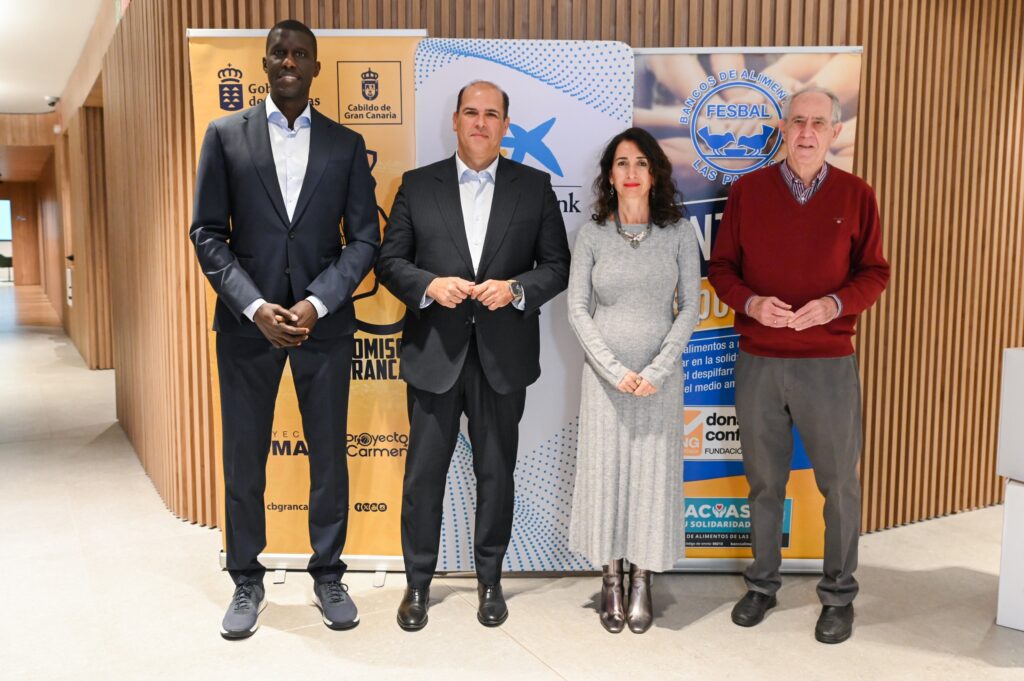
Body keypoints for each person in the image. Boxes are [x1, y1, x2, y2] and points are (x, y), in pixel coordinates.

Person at [189, 19, 379, 639]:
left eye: (301, 54)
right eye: (280, 53)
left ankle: (328, 574)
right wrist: (254, 306)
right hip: (249, 327)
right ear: (264, 63)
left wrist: (318, 303)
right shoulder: (224, 136)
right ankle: (246, 574)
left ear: (316, 68)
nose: (290, 61)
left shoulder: (345, 145)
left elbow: (364, 240)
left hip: (322, 328)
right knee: (245, 457)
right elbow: (208, 232)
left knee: (329, 454)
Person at [376, 80, 570, 631]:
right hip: (435, 354)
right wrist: (429, 286)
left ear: (505, 125)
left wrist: (517, 290)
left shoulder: (533, 187)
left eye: (491, 114)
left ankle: (490, 581)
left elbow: (557, 265)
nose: (480, 123)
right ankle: (417, 584)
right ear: (455, 121)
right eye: (470, 112)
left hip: (502, 359)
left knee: (495, 475)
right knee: (423, 480)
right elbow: (390, 262)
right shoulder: (417, 185)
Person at [708, 86, 890, 644]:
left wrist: (834, 305)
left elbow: (874, 273)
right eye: (797, 122)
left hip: (828, 365)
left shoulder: (857, 195)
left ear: (835, 132)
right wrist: (752, 303)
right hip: (760, 360)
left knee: (839, 485)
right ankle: (762, 585)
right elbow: (721, 267)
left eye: (819, 123)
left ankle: (837, 595)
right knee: (765, 484)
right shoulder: (747, 191)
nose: (807, 132)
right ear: (781, 130)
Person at [567, 127, 700, 634]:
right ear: (609, 175)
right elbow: (578, 309)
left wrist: (657, 370)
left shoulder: (680, 234)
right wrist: (615, 370)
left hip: (659, 382)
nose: (631, 173)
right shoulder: (592, 235)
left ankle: (642, 576)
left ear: (655, 174)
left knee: (651, 476)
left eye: (641, 163)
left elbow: (689, 309)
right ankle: (609, 578)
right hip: (606, 381)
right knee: (606, 475)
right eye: (621, 163)